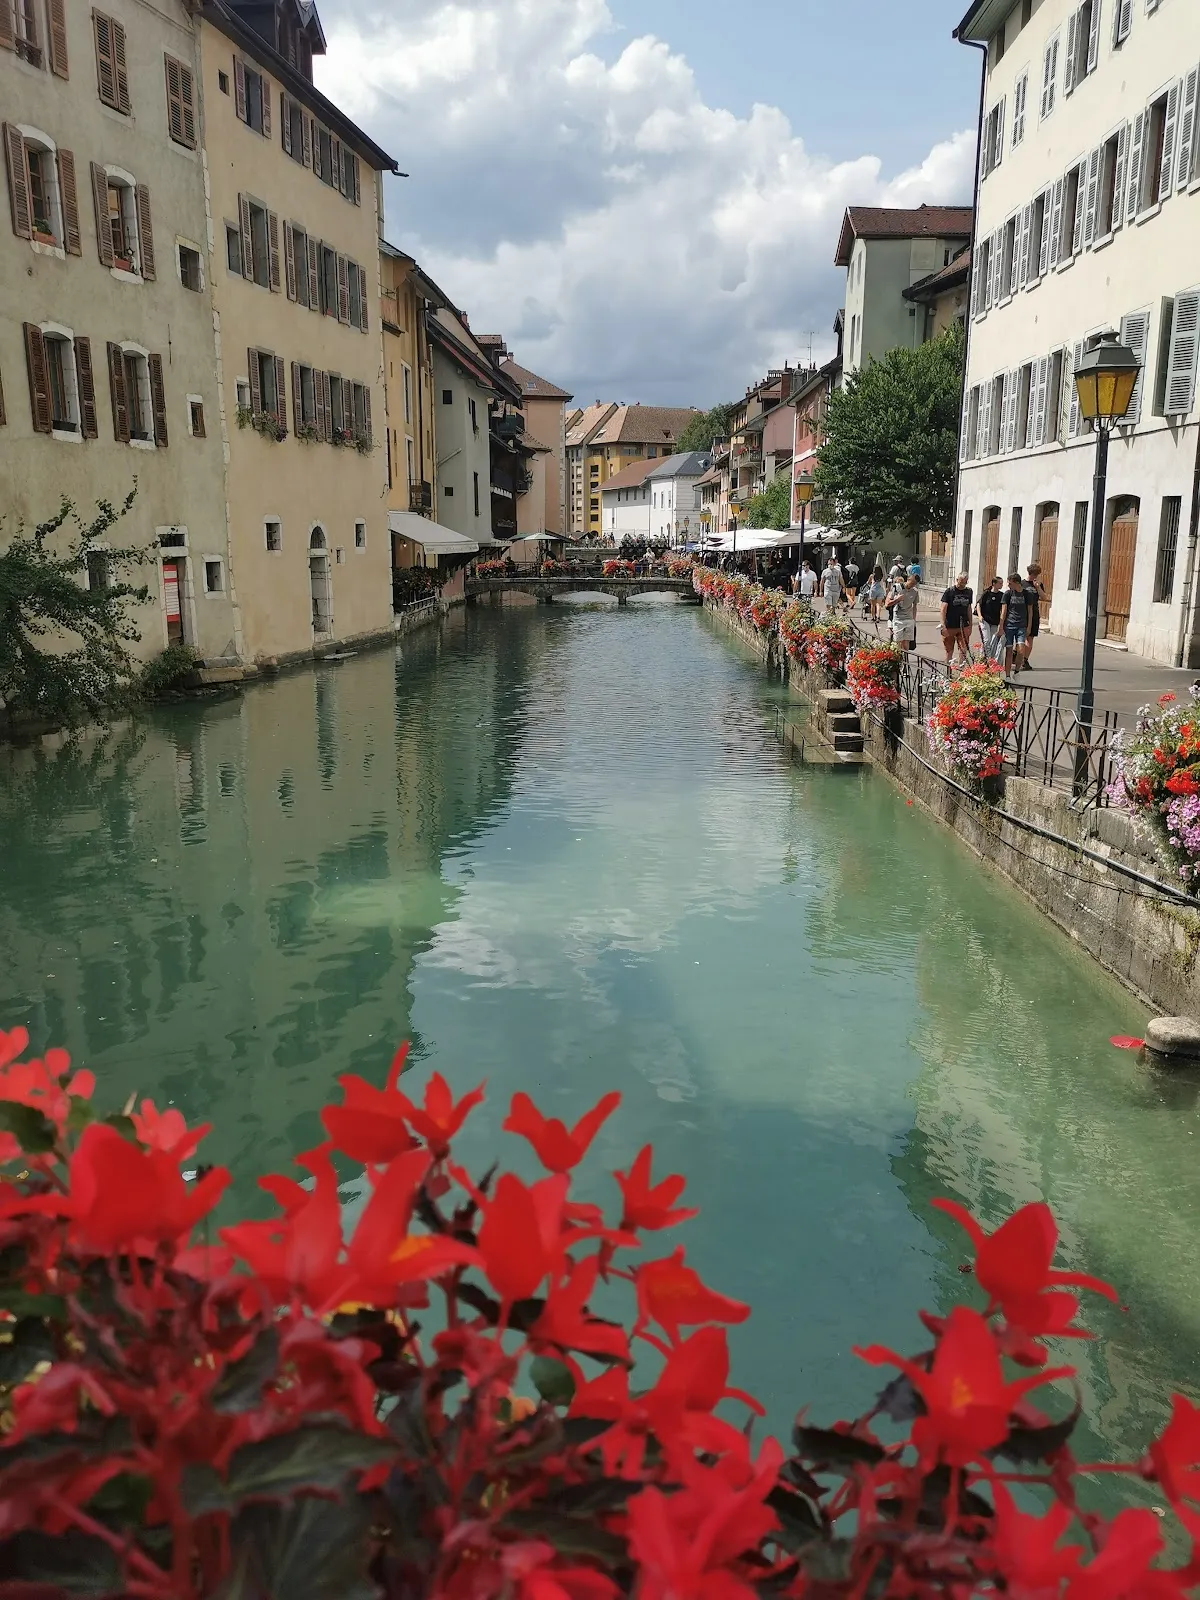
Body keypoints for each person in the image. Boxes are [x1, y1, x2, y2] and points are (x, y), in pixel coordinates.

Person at [1017, 561, 1047, 672]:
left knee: (1030, 637)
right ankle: (1018, 656)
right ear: (1032, 574)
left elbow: (1044, 597)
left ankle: (1025, 660)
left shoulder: (1038, 585)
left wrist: (1038, 588)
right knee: (1020, 636)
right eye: (1036, 574)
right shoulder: (1022, 584)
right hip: (1022, 613)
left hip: (1034, 613)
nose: (1036, 576)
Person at [940, 573, 974, 665]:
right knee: (949, 650)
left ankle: (961, 670)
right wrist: (943, 624)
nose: (962, 584)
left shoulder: (969, 591)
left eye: (964, 582)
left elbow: (969, 608)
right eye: (961, 582)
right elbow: (943, 608)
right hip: (950, 625)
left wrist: (970, 625)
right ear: (957, 580)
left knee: (963, 650)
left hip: (964, 625)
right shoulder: (950, 591)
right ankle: (948, 670)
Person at [999, 571, 1029, 676]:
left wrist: (1029, 626)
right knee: (1009, 651)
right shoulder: (1008, 594)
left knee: (1021, 650)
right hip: (1009, 626)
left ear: (1017, 583)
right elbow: (1003, 611)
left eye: (1010, 583)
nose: (1008, 585)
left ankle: (1016, 671)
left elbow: (1030, 611)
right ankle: (1007, 675)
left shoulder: (1026, 594)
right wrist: (1001, 626)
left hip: (1021, 625)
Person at [975, 576, 1006, 664]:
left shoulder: (1001, 595)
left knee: (993, 641)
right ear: (994, 584)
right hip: (985, 620)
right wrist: (980, 616)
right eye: (1000, 583)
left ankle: (990, 660)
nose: (1001, 585)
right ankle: (982, 659)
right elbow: (978, 605)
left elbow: (1003, 609)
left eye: (1002, 583)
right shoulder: (987, 593)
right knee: (986, 640)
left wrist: (1001, 623)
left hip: (995, 622)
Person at [890, 575, 919, 651]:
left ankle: (905, 656)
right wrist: (897, 599)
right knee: (898, 641)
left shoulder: (915, 591)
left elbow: (915, 606)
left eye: (914, 584)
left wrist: (914, 619)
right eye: (912, 583)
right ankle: (898, 656)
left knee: (906, 642)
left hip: (909, 618)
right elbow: (889, 601)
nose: (912, 585)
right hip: (898, 618)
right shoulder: (897, 587)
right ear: (908, 580)